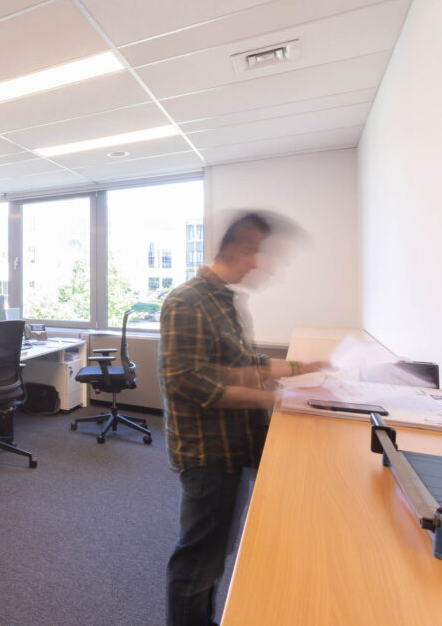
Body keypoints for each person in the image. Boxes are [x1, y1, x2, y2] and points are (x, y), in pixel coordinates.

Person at [160, 211, 330, 626]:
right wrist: (271, 399)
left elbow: (241, 363)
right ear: (235, 249)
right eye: (254, 251)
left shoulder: (222, 300)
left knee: (215, 551)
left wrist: (300, 368)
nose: (259, 263)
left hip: (233, 445)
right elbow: (189, 382)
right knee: (198, 559)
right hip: (207, 451)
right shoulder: (187, 302)